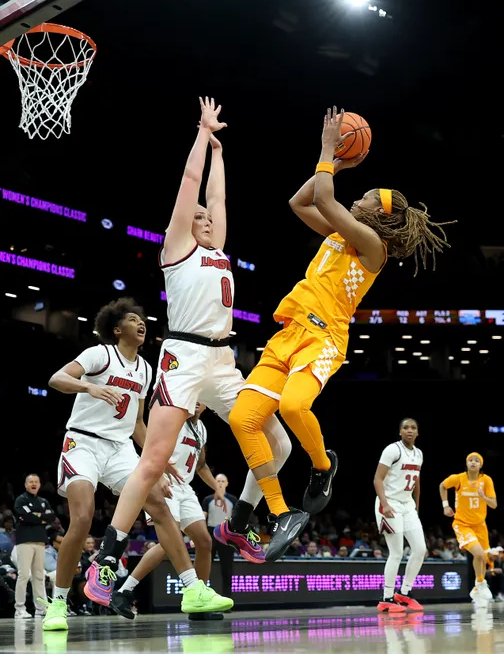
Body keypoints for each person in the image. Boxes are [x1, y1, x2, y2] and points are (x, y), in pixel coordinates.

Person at [84, 96, 294, 602]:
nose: (204, 216)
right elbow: (189, 189)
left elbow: (218, 202)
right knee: (154, 460)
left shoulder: (217, 248)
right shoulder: (177, 249)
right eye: (196, 215)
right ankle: (108, 555)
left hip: (222, 361)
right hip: (183, 356)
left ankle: (238, 519)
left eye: (206, 217)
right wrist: (202, 136)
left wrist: (221, 152)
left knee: (278, 443)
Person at [226, 106, 455, 561]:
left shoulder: (374, 247)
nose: (358, 198)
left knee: (293, 405)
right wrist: (339, 163)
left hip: (324, 337)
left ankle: (322, 465)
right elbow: (300, 203)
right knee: (242, 420)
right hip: (289, 333)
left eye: (367, 197)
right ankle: (280, 511)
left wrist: (329, 151)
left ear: (380, 216)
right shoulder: (339, 233)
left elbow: (328, 201)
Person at [43, 298, 232, 632]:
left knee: (159, 503)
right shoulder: (99, 354)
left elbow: (138, 425)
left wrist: (160, 459)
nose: (141, 323)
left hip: (120, 448)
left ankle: (192, 589)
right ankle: (58, 603)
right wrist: (90, 386)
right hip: (83, 442)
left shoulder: (145, 369)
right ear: (117, 329)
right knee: (83, 516)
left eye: (143, 319)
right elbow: (57, 378)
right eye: (133, 319)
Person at [110, 403, 228, 621]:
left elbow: (201, 465)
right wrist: (160, 476)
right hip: (164, 482)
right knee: (169, 543)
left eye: (201, 399)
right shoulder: (172, 419)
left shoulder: (201, 428)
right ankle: (124, 591)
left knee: (204, 541)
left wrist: (217, 489)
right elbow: (152, 450)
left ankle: (199, 603)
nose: (197, 402)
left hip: (185, 487)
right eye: (193, 397)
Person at [373, 418, 426, 612]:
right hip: (389, 503)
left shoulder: (419, 453)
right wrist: (385, 504)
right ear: (400, 432)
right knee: (396, 552)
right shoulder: (392, 450)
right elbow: (377, 479)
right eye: (406, 428)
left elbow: (416, 484)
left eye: (413, 428)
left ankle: (404, 592)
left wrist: (416, 508)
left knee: (420, 550)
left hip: (407, 505)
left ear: (417, 433)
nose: (409, 431)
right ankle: (386, 598)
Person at [440, 452, 497, 605]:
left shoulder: (486, 480)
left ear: (481, 465)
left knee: (482, 557)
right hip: (462, 524)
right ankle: (480, 583)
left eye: (476, 460)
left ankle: (477, 589)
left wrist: (483, 496)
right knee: (477, 553)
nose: (473, 462)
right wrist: (445, 505)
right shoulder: (458, 478)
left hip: (480, 525)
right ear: (466, 463)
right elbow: (442, 486)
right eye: (470, 460)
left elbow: (494, 504)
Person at [13, 473, 56, 618]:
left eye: (36, 481)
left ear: (39, 484)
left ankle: (41, 608)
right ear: (26, 485)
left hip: (40, 541)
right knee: (24, 575)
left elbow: (51, 517)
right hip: (24, 541)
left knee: (39, 576)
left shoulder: (43, 501)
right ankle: (19, 609)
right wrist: (40, 517)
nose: (33, 484)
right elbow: (25, 516)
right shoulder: (21, 500)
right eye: (31, 481)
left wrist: (36, 516)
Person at [203, 474, 238, 601]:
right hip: (211, 534)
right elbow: (203, 519)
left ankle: (227, 598)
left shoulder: (233, 500)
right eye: (218, 481)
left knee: (227, 569)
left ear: (227, 483)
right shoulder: (208, 500)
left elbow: (236, 520)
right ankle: (204, 597)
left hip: (227, 535)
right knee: (206, 567)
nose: (220, 483)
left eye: (223, 481)